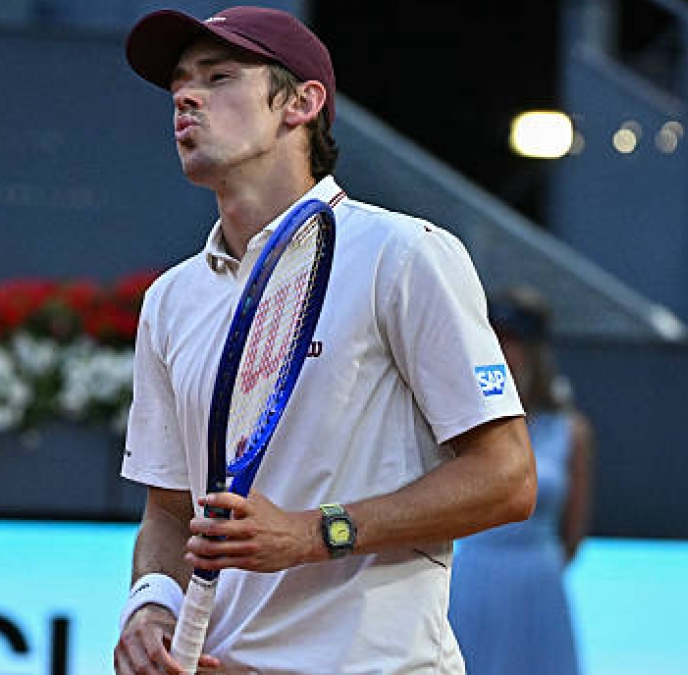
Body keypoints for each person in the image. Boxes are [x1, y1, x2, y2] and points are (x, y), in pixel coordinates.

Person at [115, 6, 537, 674]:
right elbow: (169, 510)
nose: (185, 97)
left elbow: (508, 477)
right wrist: (151, 604)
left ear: (302, 103)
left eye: (218, 77)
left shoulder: (402, 255)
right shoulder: (171, 299)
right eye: (178, 85)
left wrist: (314, 531)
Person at [449, 286, 594, 675]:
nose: (503, 351)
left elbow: (574, 530)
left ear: (535, 353)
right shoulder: (459, 424)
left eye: (513, 340)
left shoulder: (570, 432)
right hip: (472, 580)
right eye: (494, 338)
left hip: (539, 584)